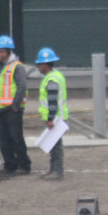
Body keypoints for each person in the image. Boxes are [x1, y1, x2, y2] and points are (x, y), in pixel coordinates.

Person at [0, 35, 31, 174]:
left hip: (12, 109)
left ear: (6, 52)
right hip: (1, 108)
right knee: (3, 139)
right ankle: (10, 165)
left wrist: (15, 105)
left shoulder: (17, 67)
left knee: (16, 138)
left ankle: (24, 165)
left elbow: (22, 86)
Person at [35, 47, 68, 180]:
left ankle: (57, 171)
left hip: (56, 118)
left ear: (45, 64)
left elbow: (52, 102)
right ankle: (53, 169)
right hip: (58, 117)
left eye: (39, 64)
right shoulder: (55, 76)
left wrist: (50, 119)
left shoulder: (51, 80)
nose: (38, 67)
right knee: (53, 145)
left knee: (56, 146)